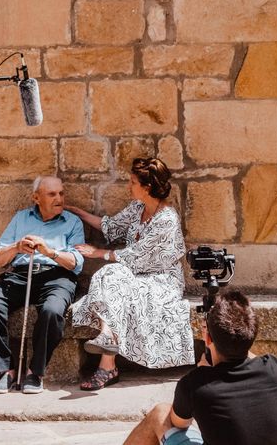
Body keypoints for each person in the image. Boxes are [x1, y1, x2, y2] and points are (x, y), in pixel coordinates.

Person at [67, 157, 194, 391]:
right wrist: (79, 213)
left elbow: (136, 255)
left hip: (161, 279)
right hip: (134, 273)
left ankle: (107, 367)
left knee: (122, 288)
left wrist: (98, 252)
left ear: (147, 187)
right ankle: (107, 336)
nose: (129, 186)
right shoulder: (137, 208)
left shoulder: (167, 219)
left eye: (133, 182)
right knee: (109, 275)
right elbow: (112, 226)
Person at [123, 291, 277, 445]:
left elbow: (179, 423)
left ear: (208, 339)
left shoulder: (197, 384)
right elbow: (245, 351)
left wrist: (205, 371)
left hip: (211, 356)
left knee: (160, 413)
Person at [0, 176, 85, 394]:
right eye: (52, 194)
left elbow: (76, 263)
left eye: (61, 193)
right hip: (20, 276)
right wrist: (16, 247)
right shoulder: (21, 218)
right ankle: (6, 371)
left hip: (57, 277)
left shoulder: (72, 222)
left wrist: (50, 252)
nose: (59, 198)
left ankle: (35, 372)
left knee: (52, 311)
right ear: (36, 198)